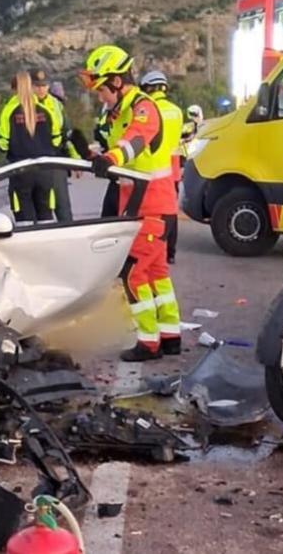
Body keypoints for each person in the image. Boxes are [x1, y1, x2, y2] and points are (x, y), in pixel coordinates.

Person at [80, 45, 181, 362]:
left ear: (116, 81)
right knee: (156, 274)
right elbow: (122, 153)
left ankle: (148, 343)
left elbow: (135, 142)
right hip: (144, 204)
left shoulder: (142, 108)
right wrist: (96, 159)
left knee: (133, 274)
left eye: (101, 90)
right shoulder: (120, 111)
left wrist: (111, 157)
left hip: (151, 204)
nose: (99, 97)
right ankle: (170, 335)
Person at [0, 71, 58, 224]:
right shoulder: (46, 111)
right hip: (45, 171)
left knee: (25, 221)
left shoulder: (9, 111)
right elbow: (57, 140)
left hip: (21, 171)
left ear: (14, 89)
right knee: (46, 218)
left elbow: (2, 143)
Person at [138, 71, 184, 264]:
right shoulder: (177, 111)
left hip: (153, 168)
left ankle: (154, 251)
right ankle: (170, 252)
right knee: (171, 211)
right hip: (172, 166)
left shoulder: (150, 110)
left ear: (148, 88)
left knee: (153, 217)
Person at [32, 69, 76, 222]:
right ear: (30, 87)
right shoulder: (24, 105)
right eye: (37, 86)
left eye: (44, 85)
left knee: (63, 209)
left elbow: (67, 133)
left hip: (56, 160)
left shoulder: (56, 104)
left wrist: (75, 160)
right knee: (42, 211)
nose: (41, 89)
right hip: (34, 163)